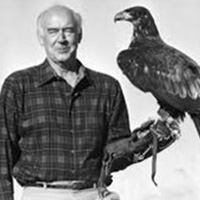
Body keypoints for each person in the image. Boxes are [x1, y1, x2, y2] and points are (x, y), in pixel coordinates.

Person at [0, 5, 178, 200]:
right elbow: (2, 153)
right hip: (42, 194)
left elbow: (114, 157)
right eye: (53, 31)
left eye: (68, 30)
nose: (61, 39)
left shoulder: (107, 87)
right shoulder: (18, 85)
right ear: (41, 38)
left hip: (94, 193)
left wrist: (145, 140)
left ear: (80, 35)